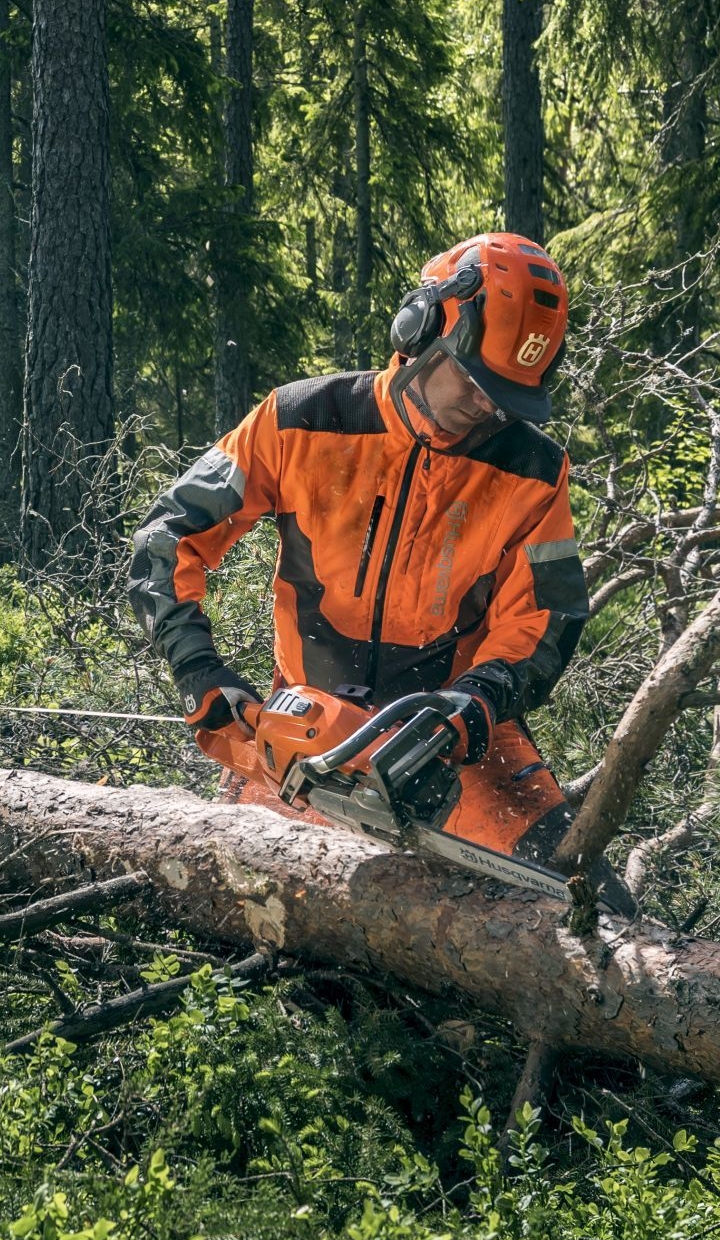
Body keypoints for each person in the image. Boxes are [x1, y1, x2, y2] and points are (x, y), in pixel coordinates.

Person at [127, 232, 589, 867]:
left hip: (451, 744)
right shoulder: (302, 420)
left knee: (583, 899)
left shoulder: (533, 469)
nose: (486, 407)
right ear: (423, 327)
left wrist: (477, 705)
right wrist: (197, 669)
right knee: (234, 914)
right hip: (305, 732)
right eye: (475, 381)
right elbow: (168, 536)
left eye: (505, 397)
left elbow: (548, 616)